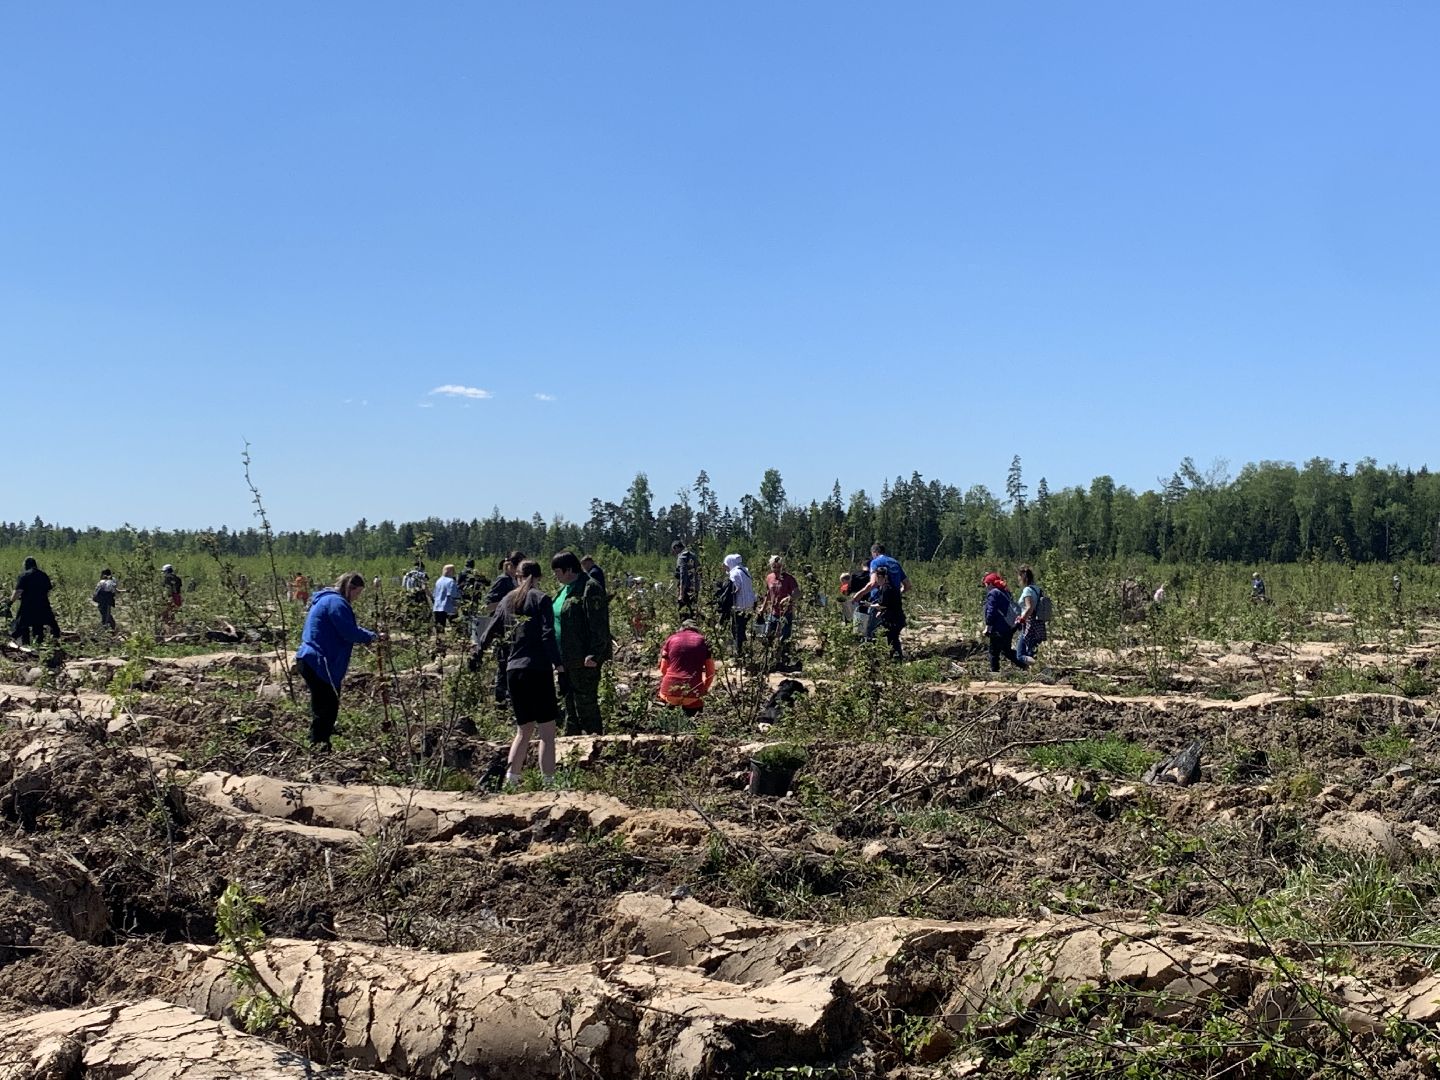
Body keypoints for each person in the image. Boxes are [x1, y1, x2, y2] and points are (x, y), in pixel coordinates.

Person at [478, 560, 561, 788]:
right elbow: (547, 634)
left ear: (517, 576)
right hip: (537, 668)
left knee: (523, 730)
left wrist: (477, 653)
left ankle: (511, 781)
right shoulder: (541, 598)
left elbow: (490, 630)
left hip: (513, 670)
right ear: (538, 577)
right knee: (547, 730)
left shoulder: (507, 600)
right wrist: (559, 665)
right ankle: (548, 783)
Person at [294, 572, 381, 749]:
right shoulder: (336, 602)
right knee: (327, 706)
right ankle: (319, 744)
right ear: (351, 588)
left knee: (324, 703)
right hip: (319, 660)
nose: (357, 598)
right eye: (358, 593)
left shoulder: (326, 600)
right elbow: (348, 632)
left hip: (311, 658)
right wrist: (374, 637)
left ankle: (319, 740)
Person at [551, 551, 613, 736]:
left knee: (586, 705)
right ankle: (573, 747)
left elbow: (599, 624)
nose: (556, 576)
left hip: (583, 660)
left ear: (569, 570)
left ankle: (595, 745)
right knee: (569, 705)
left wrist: (594, 653)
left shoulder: (589, 587)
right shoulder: (563, 590)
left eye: (558, 572)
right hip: (566, 660)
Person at [480, 552, 525, 701]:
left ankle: (509, 698)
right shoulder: (503, 581)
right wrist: (507, 604)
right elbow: (487, 606)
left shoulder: (513, 581)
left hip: (513, 631)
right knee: (503, 665)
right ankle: (501, 702)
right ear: (512, 566)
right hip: (502, 631)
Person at [657, 620, 715, 715]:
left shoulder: (671, 639)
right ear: (697, 630)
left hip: (669, 692)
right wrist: (704, 689)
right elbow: (710, 672)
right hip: (693, 692)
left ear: (681, 629)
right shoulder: (704, 641)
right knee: (695, 722)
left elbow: (663, 669)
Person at [11, 557, 61, 645]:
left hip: (28, 605)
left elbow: (18, 591)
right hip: (43, 605)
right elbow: (48, 590)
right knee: (38, 626)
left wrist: (10, 602)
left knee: (21, 626)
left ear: (26, 565)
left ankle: (24, 645)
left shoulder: (24, 575)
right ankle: (39, 645)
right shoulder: (43, 575)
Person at [762, 555, 800, 668]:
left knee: (784, 638)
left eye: (779, 567)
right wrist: (762, 608)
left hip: (785, 613)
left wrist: (789, 598)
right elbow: (768, 594)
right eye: (774, 567)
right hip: (773, 613)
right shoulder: (769, 578)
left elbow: (797, 593)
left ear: (782, 566)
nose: (777, 569)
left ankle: (784, 661)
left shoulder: (789, 578)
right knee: (768, 635)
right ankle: (769, 659)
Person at [983, 572, 1023, 674]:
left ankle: (994, 672)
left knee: (993, 651)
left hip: (998, 627)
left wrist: (988, 626)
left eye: (986, 584)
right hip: (1010, 625)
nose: (985, 587)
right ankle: (1025, 664)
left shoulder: (993, 593)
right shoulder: (1005, 592)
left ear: (991, 584)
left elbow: (991, 611)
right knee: (1006, 650)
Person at [721, 554, 756, 657]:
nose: (726, 567)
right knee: (741, 629)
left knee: (736, 630)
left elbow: (735, 589)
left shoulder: (735, 573)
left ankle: (739, 653)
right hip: (749, 606)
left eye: (727, 565)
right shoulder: (745, 571)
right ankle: (743, 650)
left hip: (740, 607)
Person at [1012, 565, 1046, 668]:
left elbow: (1029, 607)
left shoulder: (1027, 590)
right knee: (1031, 652)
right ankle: (1036, 673)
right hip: (1039, 624)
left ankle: (1042, 668)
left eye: (1019, 576)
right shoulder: (1037, 589)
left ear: (1023, 577)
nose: (1018, 579)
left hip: (1030, 625)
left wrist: (1022, 619)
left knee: (1020, 654)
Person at [872, 566, 906, 660]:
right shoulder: (891, 586)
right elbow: (890, 604)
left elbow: (883, 604)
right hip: (896, 618)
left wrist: (870, 606)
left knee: (882, 635)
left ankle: (893, 658)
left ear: (882, 577)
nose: (875, 580)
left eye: (876, 577)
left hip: (893, 619)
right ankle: (895, 657)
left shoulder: (886, 588)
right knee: (892, 638)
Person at [673, 541, 700, 613]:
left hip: (685, 589)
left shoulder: (681, 557)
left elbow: (683, 575)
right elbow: (699, 571)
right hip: (695, 587)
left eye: (674, 550)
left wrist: (681, 593)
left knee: (683, 611)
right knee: (693, 609)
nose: (674, 552)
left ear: (676, 548)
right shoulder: (693, 556)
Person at [432, 564, 459, 631]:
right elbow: (453, 595)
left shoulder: (438, 581)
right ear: (450, 571)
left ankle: (439, 640)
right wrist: (456, 605)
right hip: (448, 607)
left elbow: (434, 594)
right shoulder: (451, 581)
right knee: (456, 627)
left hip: (437, 607)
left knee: (440, 628)